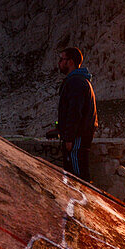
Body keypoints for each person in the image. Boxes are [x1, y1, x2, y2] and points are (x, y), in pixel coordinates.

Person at [49, 46, 97, 181]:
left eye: (61, 59)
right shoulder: (78, 80)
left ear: (70, 62)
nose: (59, 63)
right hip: (78, 135)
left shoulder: (76, 82)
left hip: (77, 137)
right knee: (76, 172)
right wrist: (60, 128)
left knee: (78, 177)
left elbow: (74, 112)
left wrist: (69, 138)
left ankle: (84, 202)